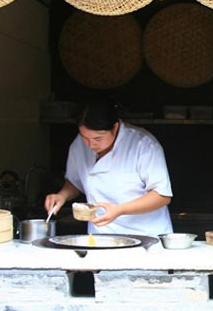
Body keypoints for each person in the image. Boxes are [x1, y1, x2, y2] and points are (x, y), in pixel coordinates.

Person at [44, 98, 173, 236]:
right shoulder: (79, 145)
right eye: (84, 137)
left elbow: (162, 195)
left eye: (98, 139)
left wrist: (120, 210)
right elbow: (75, 181)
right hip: (100, 236)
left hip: (145, 236)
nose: (90, 144)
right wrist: (62, 195)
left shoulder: (144, 145)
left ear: (115, 127)